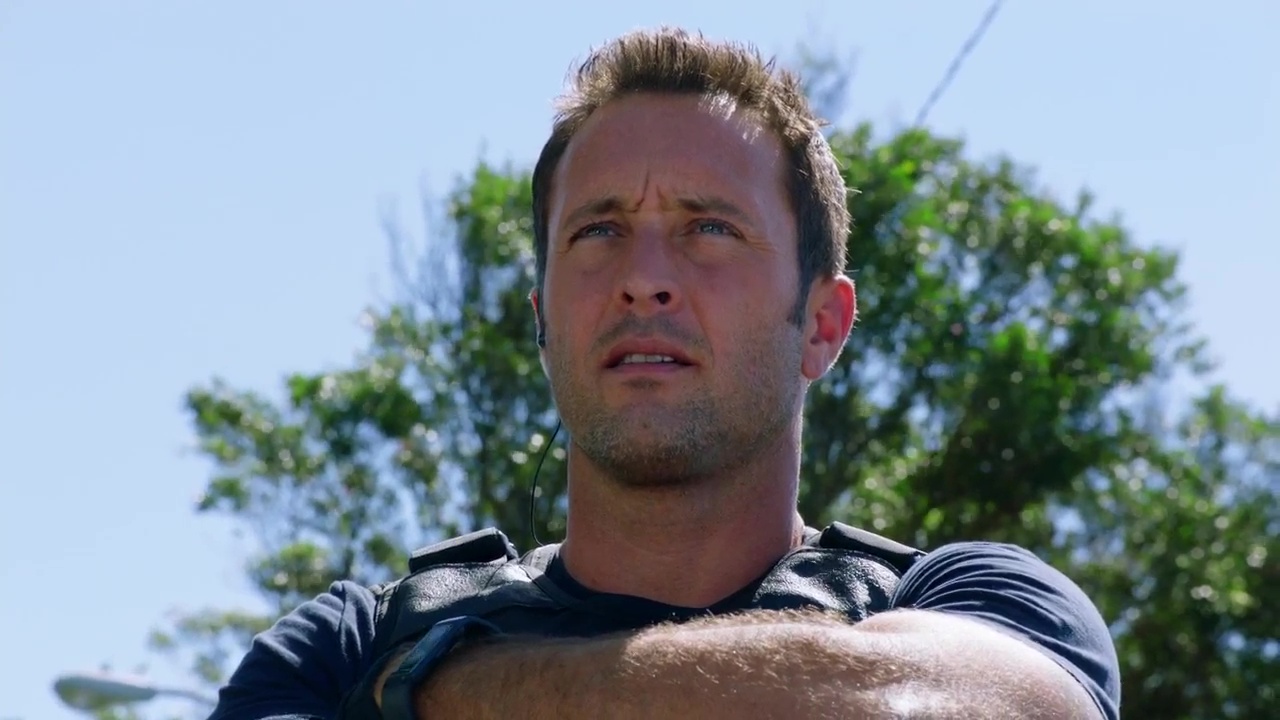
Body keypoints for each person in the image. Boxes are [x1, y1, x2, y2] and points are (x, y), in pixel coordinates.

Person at [209, 27, 1120, 720]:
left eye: (709, 228)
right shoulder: (341, 648)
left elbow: (972, 706)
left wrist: (442, 688)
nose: (643, 279)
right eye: (598, 230)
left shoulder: (975, 602)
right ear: (542, 319)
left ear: (822, 325)